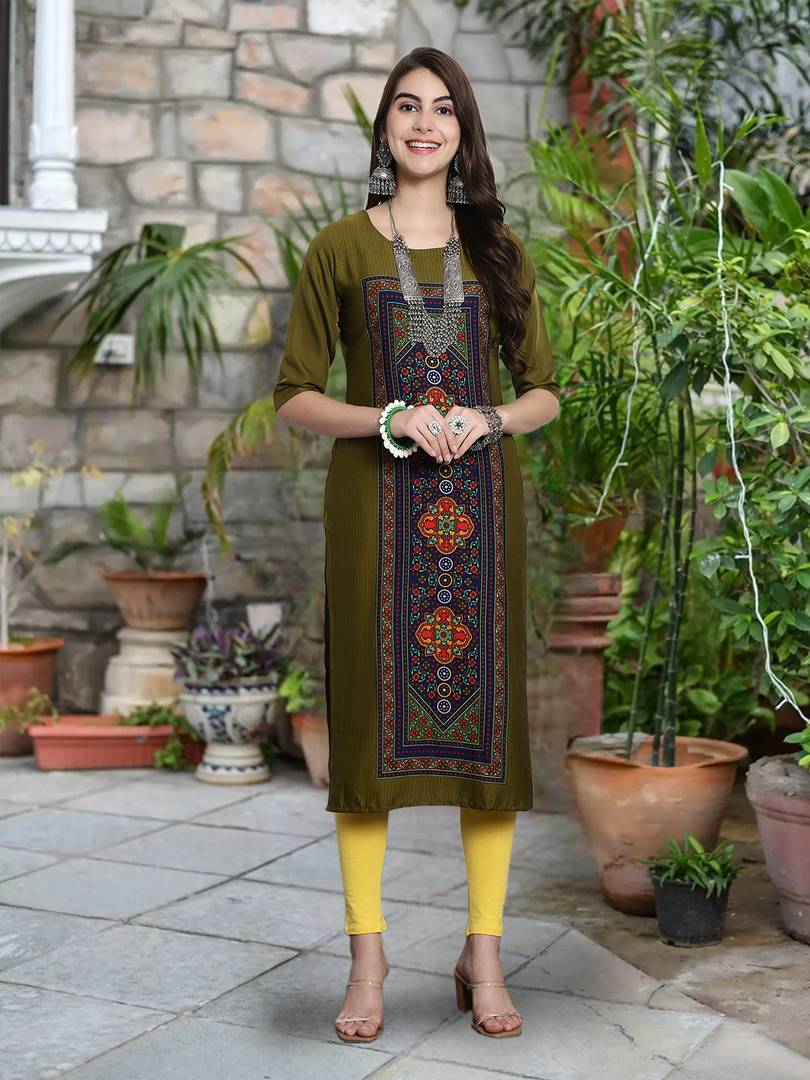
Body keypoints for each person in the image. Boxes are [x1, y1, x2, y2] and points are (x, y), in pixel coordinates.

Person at [272, 46, 560, 1043]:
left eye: (443, 108)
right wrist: (388, 417)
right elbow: (295, 394)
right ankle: (369, 957)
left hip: (480, 516)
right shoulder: (340, 247)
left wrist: (489, 418)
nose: (425, 123)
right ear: (386, 127)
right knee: (365, 738)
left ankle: (484, 953)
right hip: (375, 514)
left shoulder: (498, 251)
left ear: (462, 130)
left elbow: (544, 389)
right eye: (407, 106)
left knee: (489, 745)